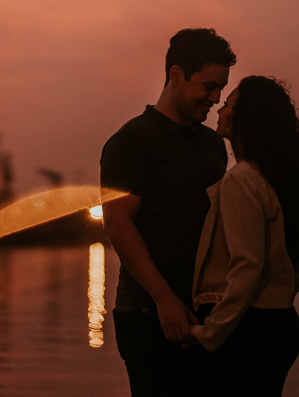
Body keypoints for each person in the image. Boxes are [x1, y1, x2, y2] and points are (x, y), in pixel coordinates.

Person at [101, 28, 236, 396]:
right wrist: (164, 300)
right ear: (176, 75)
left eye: (221, 88)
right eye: (208, 86)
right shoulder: (133, 140)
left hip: (205, 315)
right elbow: (117, 222)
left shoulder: (213, 144)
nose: (215, 97)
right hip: (148, 314)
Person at [191, 75, 299, 395]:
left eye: (229, 104)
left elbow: (246, 267)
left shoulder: (241, 180)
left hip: (249, 332)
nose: (220, 108)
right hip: (279, 324)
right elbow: (291, 259)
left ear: (246, 117)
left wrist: (209, 334)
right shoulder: (274, 180)